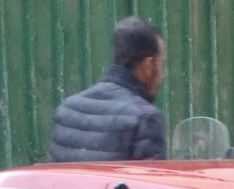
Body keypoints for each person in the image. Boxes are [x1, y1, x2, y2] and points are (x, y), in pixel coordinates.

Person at [49, 17, 167, 162]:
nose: (162, 76)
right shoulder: (146, 119)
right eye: (162, 64)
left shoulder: (66, 110)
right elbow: (149, 183)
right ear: (148, 66)